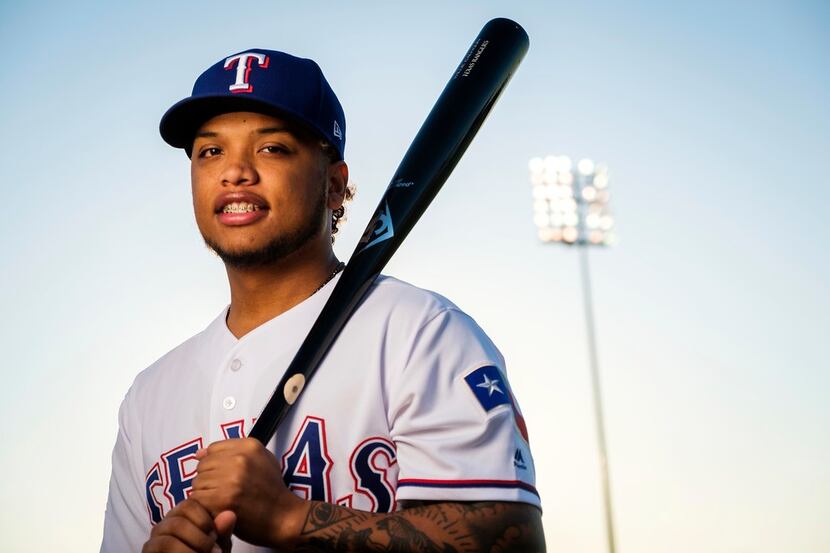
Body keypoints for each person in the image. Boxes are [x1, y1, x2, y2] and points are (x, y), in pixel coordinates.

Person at [101, 48, 545, 553]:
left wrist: (290, 518)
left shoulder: (418, 332)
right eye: (211, 152)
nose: (236, 172)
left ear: (334, 186)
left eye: (271, 148)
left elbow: (511, 541)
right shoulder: (149, 396)